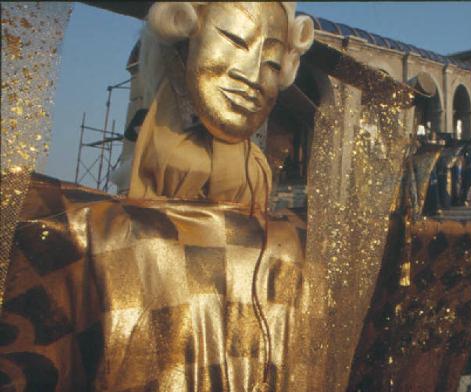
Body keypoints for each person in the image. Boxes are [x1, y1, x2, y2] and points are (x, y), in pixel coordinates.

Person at [0, 3, 315, 391]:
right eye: (233, 40)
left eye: (270, 62)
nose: (251, 77)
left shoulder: (300, 246)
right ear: (180, 42)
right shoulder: (82, 232)